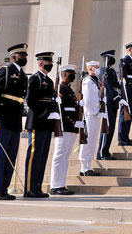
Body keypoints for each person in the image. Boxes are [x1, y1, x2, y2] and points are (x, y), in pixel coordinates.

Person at [0, 43, 28, 201]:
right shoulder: (5, 70)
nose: (24, 58)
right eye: (21, 56)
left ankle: (4, 189)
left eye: (25, 56)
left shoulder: (22, 74)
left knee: (11, 155)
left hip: (15, 119)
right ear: (14, 57)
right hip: (2, 118)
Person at [24, 51, 59, 198]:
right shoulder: (34, 79)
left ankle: (37, 187)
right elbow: (30, 101)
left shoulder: (49, 81)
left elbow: (50, 100)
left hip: (47, 124)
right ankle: (29, 188)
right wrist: (45, 113)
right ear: (40, 63)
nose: (50, 65)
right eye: (47, 63)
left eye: (50, 63)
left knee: (42, 156)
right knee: (34, 156)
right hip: (37, 122)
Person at [50, 64, 79, 195]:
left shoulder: (69, 89)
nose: (72, 76)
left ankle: (61, 184)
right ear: (63, 75)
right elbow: (61, 110)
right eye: (69, 73)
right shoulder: (60, 88)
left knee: (65, 157)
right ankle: (55, 185)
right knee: (59, 155)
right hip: (64, 126)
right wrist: (73, 121)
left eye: (73, 73)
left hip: (71, 127)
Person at [79, 60, 103, 176]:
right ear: (90, 68)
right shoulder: (87, 82)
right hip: (90, 115)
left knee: (93, 141)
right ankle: (84, 167)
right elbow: (88, 100)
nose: (98, 69)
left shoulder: (95, 81)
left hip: (96, 115)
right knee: (87, 141)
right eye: (96, 67)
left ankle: (88, 166)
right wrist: (95, 112)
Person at [98, 50, 121, 160]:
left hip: (113, 103)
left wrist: (120, 84)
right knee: (106, 127)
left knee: (111, 128)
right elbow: (107, 86)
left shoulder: (111, 70)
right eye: (110, 58)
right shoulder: (104, 70)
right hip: (108, 102)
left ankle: (106, 150)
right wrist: (117, 97)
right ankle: (102, 152)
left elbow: (114, 84)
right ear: (106, 59)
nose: (112, 59)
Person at [118, 42, 132, 145]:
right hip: (127, 90)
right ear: (129, 49)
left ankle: (126, 137)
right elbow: (123, 77)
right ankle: (121, 138)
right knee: (124, 113)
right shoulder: (124, 60)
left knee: (129, 113)